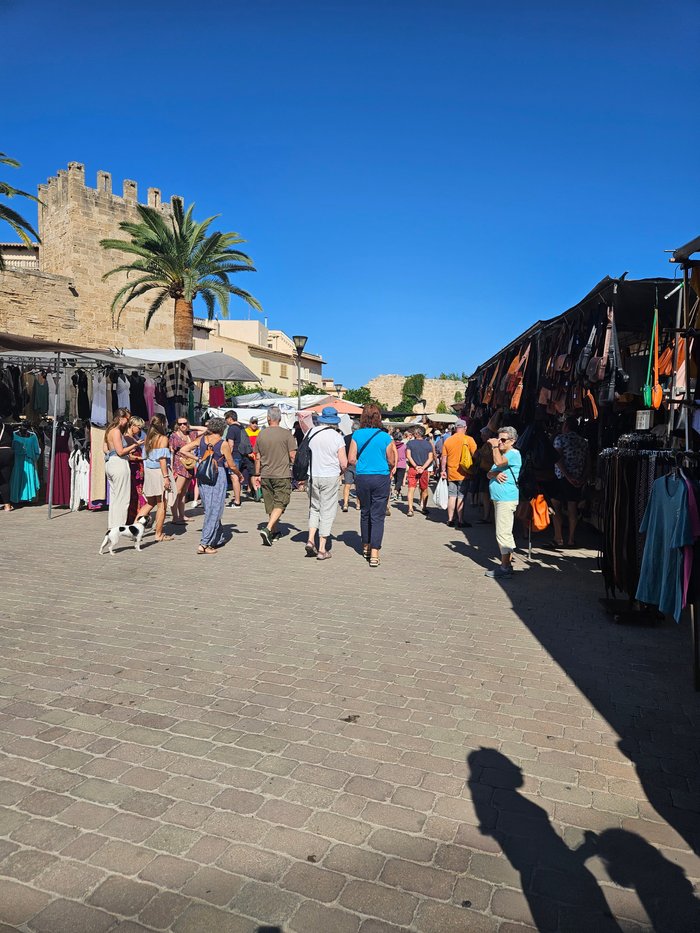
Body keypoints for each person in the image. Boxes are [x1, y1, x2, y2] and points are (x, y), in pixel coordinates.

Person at [179, 417, 242, 554]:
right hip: (217, 474)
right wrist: (239, 474)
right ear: (222, 428)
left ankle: (215, 539)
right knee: (215, 509)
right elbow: (231, 465)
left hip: (203, 474)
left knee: (210, 508)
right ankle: (204, 543)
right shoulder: (222, 443)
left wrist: (199, 459)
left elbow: (183, 450)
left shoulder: (201, 440)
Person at [348, 404, 396, 567]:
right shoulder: (385, 437)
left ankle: (365, 546)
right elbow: (391, 460)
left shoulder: (357, 435)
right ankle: (375, 553)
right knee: (378, 515)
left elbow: (351, 459)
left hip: (363, 477)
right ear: (378, 417)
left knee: (365, 512)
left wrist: (363, 462)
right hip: (381, 477)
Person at [304, 407, 348, 560]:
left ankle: (310, 540)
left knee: (314, 508)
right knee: (327, 511)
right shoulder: (337, 437)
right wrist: (342, 472)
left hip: (313, 475)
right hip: (329, 476)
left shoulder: (311, 433)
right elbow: (344, 463)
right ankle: (322, 548)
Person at [255, 406, 297, 546]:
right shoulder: (286, 434)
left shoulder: (261, 434)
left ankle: (274, 531)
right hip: (282, 474)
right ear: (279, 418)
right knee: (281, 502)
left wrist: (257, 474)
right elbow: (292, 455)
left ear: (268, 418)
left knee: (271, 504)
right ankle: (268, 528)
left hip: (266, 474)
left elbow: (257, 457)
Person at [485, 425, 521, 579]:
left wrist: (493, 445)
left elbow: (498, 464)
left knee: (503, 533)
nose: (499, 442)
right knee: (503, 531)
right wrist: (494, 475)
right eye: (498, 439)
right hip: (499, 498)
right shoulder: (502, 454)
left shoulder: (513, 453)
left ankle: (505, 567)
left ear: (512, 441)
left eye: (503, 440)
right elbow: (488, 473)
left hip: (506, 499)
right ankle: (508, 563)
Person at [135, 414, 176, 543]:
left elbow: (145, 457)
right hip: (159, 472)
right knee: (161, 505)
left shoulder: (148, 438)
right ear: (162, 424)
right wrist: (166, 477)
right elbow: (162, 460)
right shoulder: (163, 438)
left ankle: (134, 529)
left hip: (150, 471)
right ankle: (158, 534)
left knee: (150, 503)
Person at [551, 416, 589, 548]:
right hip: (577, 478)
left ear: (566, 425)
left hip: (562, 477)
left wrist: (567, 476)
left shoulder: (560, 439)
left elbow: (558, 459)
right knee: (573, 507)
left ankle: (558, 537)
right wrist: (582, 478)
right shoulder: (584, 441)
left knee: (556, 506)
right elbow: (587, 462)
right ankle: (571, 539)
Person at [103, 407, 141, 528]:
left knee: (115, 497)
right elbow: (120, 451)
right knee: (123, 497)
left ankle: (113, 525)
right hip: (119, 463)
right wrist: (134, 445)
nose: (128, 422)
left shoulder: (109, 430)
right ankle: (119, 526)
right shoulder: (116, 431)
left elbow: (105, 449)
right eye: (127, 419)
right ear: (121, 418)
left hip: (110, 463)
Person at [440, 418, 477, 527]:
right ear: (465, 428)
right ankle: (460, 520)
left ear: (455, 428)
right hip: (464, 473)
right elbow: (475, 455)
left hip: (451, 472)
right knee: (461, 496)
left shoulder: (448, 440)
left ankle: (450, 519)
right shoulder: (469, 440)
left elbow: (444, 458)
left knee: (452, 496)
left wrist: (443, 471)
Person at [170, 416, 206, 525]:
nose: (183, 426)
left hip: (190, 464)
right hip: (179, 464)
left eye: (185, 423)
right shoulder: (174, 436)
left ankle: (182, 515)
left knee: (184, 492)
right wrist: (171, 467)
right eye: (180, 424)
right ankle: (175, 517)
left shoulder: (191, 434)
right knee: (177, 491)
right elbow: (171, 452)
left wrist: (191, 427)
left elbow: (206, 429)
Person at [405, 425, 434, 516]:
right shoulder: (428, 444)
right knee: (424, 488)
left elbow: (408, 456)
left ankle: (410, 509)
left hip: (413, 469)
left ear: (416, 434)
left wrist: (416, 466)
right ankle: (424, 508)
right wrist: (423, 467)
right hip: (424, 470)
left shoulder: (410, 443)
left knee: (411, 488)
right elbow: (430, 458)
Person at [125, 415, 146, 524]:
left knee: (139, 492)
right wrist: (142, 458)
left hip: (138, 468)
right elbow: (129, 455)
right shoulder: (127, 438)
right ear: (132, 425)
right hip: (133, 468)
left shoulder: (134, 437)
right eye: (139, 427)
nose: (140, 430)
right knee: (134, 493)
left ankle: (137, 516)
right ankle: (133, 517)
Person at [224, 410, 243, 509]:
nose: (226, 421)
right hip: (241, 455)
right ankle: (237, 498)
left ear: (230, 418)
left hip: (234, 455)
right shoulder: (241, 427)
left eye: (226, 419)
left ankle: (237, 501)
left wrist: (228, 458)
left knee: (234, 478)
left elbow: (230, 445)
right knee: (238, 477)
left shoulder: (231, 429)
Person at [476, 426, 495, 524]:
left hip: (488, 471)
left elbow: (491, 458)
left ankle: (486, 516)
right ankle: (486, 515)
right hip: (485, 471)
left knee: (486, 495)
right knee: (485, 494)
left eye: (483, 434)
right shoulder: (486, 445)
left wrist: (480, 453)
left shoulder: (490, 445)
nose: (481, 436)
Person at [341, 421, 360, 512]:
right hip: (358, 464)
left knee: (347, 485)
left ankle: (345, 504)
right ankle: (358, 504)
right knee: (358, 486)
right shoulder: (359, 439)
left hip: (348, 464)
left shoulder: (346, 438)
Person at [245, 416, 262, 500]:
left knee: (257, 473)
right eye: (253, 423)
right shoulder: (245, 432)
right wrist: (248, 452)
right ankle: (255, 490)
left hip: (258, 456)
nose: (255, 425)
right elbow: (244, 444)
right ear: (250, 423)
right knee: (252, 473)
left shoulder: (260, 432)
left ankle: (254, 489)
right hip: (250, 456)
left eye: (256, 423)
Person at [392, 430, 407, 501]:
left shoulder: (392, 445)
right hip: (402, 464)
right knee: (400, 480)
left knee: (396, 480)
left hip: (394, 464)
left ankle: (399, 493)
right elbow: (407, 455)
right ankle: (395, 491)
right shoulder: (404, 446)